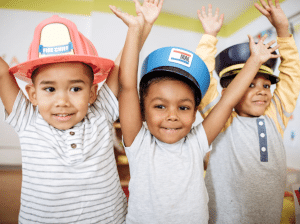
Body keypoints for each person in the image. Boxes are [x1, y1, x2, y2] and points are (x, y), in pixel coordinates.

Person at [110, 0, 280, 223]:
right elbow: (127, 87)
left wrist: (255, 60)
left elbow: (228, 101)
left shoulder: (196, 141)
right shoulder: (138, 142)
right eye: (160, 106)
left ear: (195, 113)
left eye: (184, 107)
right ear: (142, 110)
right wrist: (136, 30)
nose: (172, 115)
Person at [0, 1, 161, 222]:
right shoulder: (27, 119)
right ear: (33, 94)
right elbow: (2, 74)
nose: (62, 101)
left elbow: (123, 66)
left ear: (93, 92)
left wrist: (143, 25)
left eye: (75, 88)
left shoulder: (101, 111)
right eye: (50, 89)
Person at [196, 1, 300, 223]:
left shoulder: (275, 117)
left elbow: (291, 74)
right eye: (249, 85)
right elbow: (203, 82)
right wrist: (209, 37)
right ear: (227, 93)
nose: (261, 91)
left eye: (265, 85)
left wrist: (283, 30)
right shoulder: (222, 119)